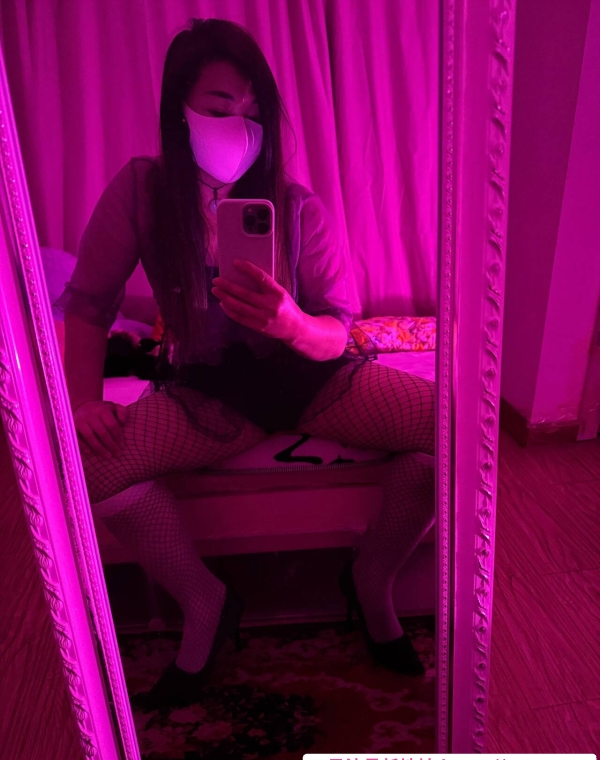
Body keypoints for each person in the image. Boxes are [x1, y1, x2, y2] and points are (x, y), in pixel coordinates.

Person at [58, 18, 435, 710]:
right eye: (221, 106)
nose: (240, 124)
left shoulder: (294, 206)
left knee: (453, 434)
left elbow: (338, 330)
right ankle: (204, 601)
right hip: (211, 396)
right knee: (85, 467)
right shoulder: (143, 190)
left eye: (254, 111)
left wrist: (292, 323)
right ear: (180, 109)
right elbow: (86, 304)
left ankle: (372, 578)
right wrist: (84, 400)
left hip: (313, 383)